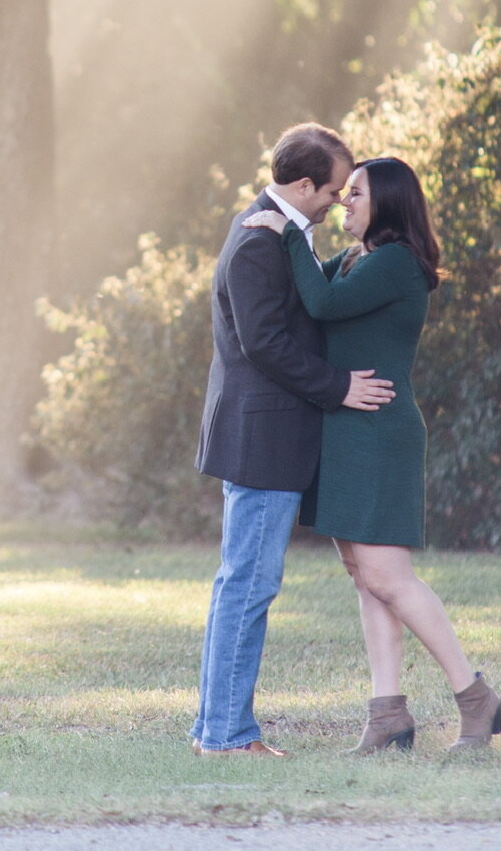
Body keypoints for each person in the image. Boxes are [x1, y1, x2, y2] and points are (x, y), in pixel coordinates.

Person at [243, 155, 501, 754]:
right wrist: (280, 237)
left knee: (390, 577)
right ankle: (387, 715)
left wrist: (286, 232)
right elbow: (306, 290)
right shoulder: (358, 259)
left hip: (380, 430)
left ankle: (474, 697)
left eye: (354, 192)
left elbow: (322, 306)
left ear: (386, 201)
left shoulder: (395, 263)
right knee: (365, 578)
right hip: (346, 428)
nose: (344, 202)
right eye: (343, 192)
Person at [191, 122, 395, 758]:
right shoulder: (259, 242)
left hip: (269, 435)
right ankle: (226, 735)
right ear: (303, 186)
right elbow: (266, 345)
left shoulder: (279, 230)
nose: (339, 202)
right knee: (248, 585)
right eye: (334, 192)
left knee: (242, 584)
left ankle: (213, 730)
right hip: (263, 438)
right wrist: (338, 387)